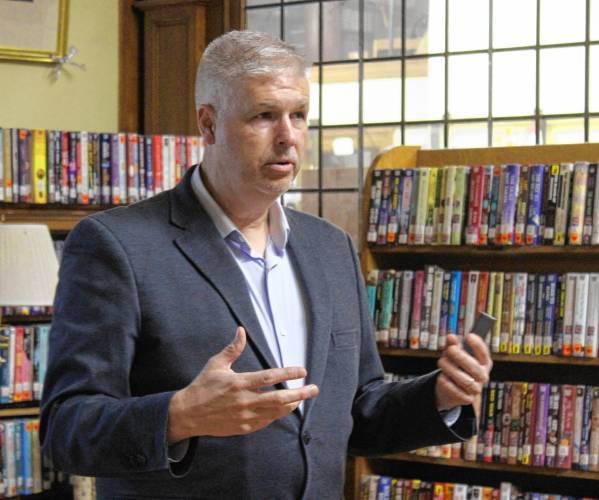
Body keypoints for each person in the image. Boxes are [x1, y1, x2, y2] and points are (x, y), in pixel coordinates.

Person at [40, 30, 492, 500]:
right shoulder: (116, 246)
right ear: (209, 124)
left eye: (299, 115)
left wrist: (440, 396)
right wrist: (179, 415)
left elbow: (354, 412)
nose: (288, 137)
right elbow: (66, 429)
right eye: (264, 116)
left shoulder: (330, 247)